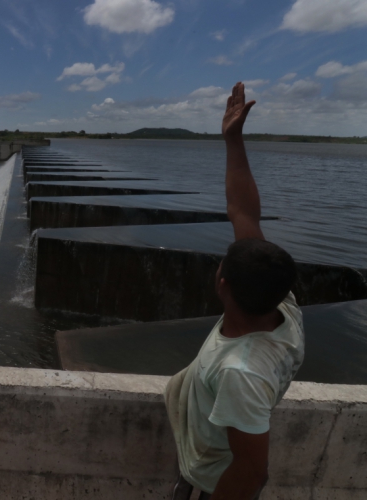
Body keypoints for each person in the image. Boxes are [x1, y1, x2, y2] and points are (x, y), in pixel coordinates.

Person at [165, 82, 304, 499]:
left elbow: (251, 471)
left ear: (222, 283)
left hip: (212, 483)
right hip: (202, 454)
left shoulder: (241, 374)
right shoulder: (281, 301)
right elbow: (242, 209)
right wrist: (233, 140)